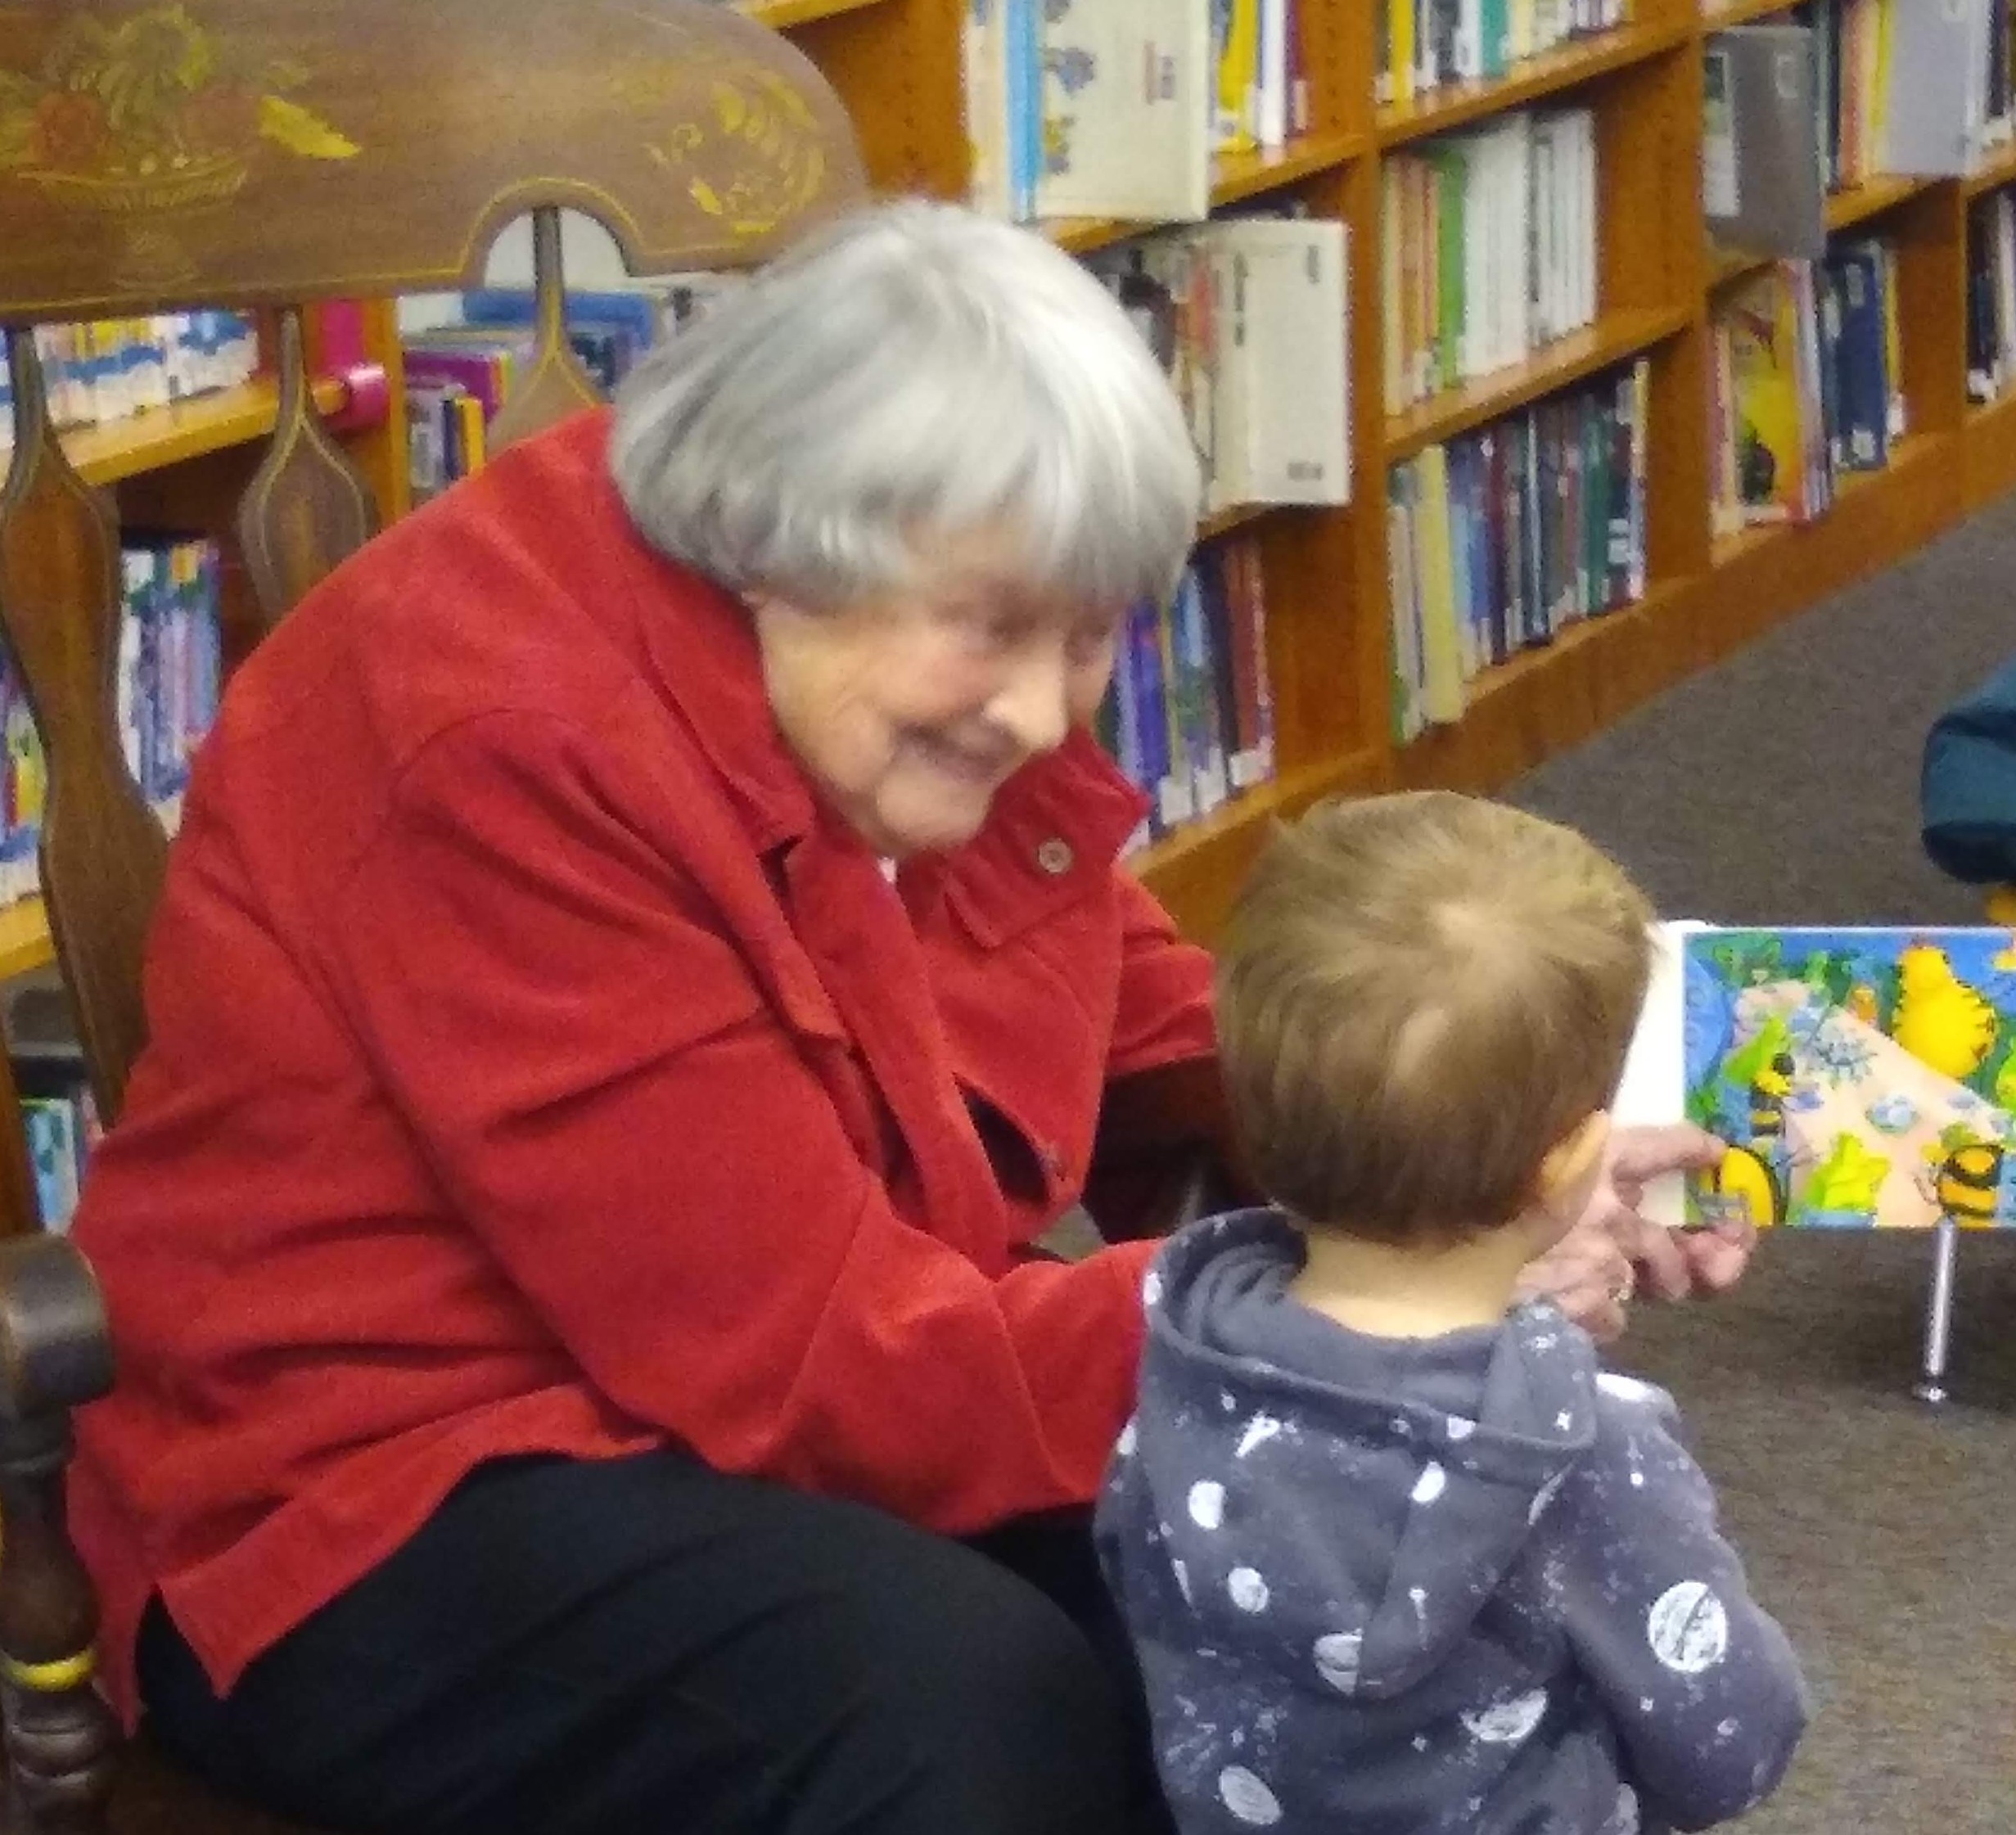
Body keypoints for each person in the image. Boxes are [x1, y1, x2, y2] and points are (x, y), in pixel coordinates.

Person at [65, 201, 1748, 1835]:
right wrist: (1355, 1306)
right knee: (978, 1697)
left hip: (741, 1370)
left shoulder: (884, 626)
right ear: (781, 549)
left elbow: (1088, 971)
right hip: (370, 1488)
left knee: (1295, 1589)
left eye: (1089, 636)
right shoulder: (501, 740)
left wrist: (1464, 1146)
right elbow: (815, 1366)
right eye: (997, 633)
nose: (1041, 708)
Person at [1097, 791, 1807, 1835]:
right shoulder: (1584, 1445)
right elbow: (1729, 1739)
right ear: (1570, 1160)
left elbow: (1129, 1589)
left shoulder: (1183, 1367)